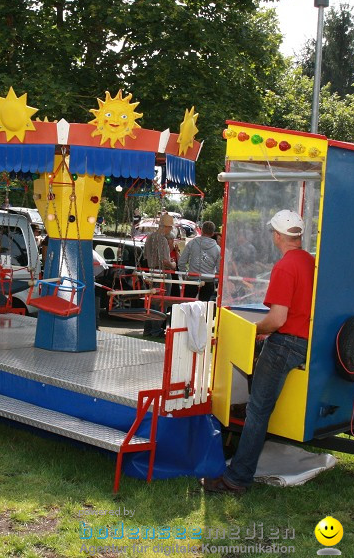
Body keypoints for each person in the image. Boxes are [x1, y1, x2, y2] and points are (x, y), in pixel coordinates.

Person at [201, 209, 315, 494]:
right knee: (260, 406)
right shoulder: (310, 262)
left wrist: (255, 331)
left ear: (277, 236)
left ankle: (237, 478)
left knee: (257, 412)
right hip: (304, 342)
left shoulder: (285, 266)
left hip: (285, 344)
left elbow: (277, 319)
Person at [142, 213, 176, 337]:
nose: (171, 229)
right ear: (166, 227)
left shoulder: (150, 237)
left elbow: (145, 255)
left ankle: (148, 329)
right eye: (170, 227)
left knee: (152, 302)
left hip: (152, 272)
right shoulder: (162, 239)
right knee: (162, 302)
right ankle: (156, 330)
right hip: (162, 274)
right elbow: (164, 261)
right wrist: (172, 265)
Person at [178, 221, 221, 301]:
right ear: (212, 234)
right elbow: (219, 269)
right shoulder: (217, 249)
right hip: (208, 280)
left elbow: (181, 262)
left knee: (187, 306)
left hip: (192, 279)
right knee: (206, 309)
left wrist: (185, 274)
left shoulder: (192, 243)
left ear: (201, 230)